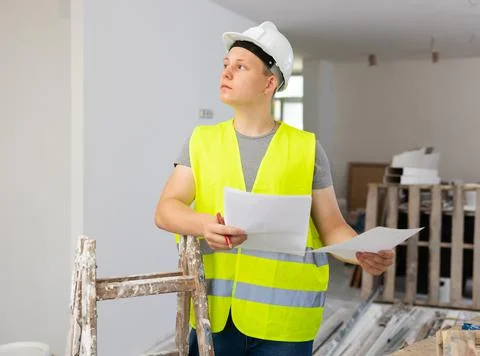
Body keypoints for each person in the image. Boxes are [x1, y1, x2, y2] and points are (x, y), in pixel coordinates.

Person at [155, 21, 394, 356]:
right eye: (226, 65)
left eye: (241, 66)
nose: (227, 72)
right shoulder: (201, 142)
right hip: (215, 316)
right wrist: (204, 224)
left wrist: (359, 251)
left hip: (286, 324)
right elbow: (166, 209)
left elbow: (332, 228)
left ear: (270, 82)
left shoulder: (306, 148)